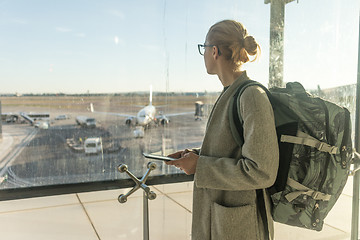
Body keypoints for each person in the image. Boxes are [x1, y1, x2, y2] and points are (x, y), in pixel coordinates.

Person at [166, 20, 279, 240]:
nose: (204, 55)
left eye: (204, 48)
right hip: (221, 222)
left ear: (214, 51)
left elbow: (262, 171)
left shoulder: (252, 96)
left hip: (239, 227)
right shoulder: (230, 93)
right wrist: (196, 155)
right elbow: (232, 148)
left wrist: (201, 166)